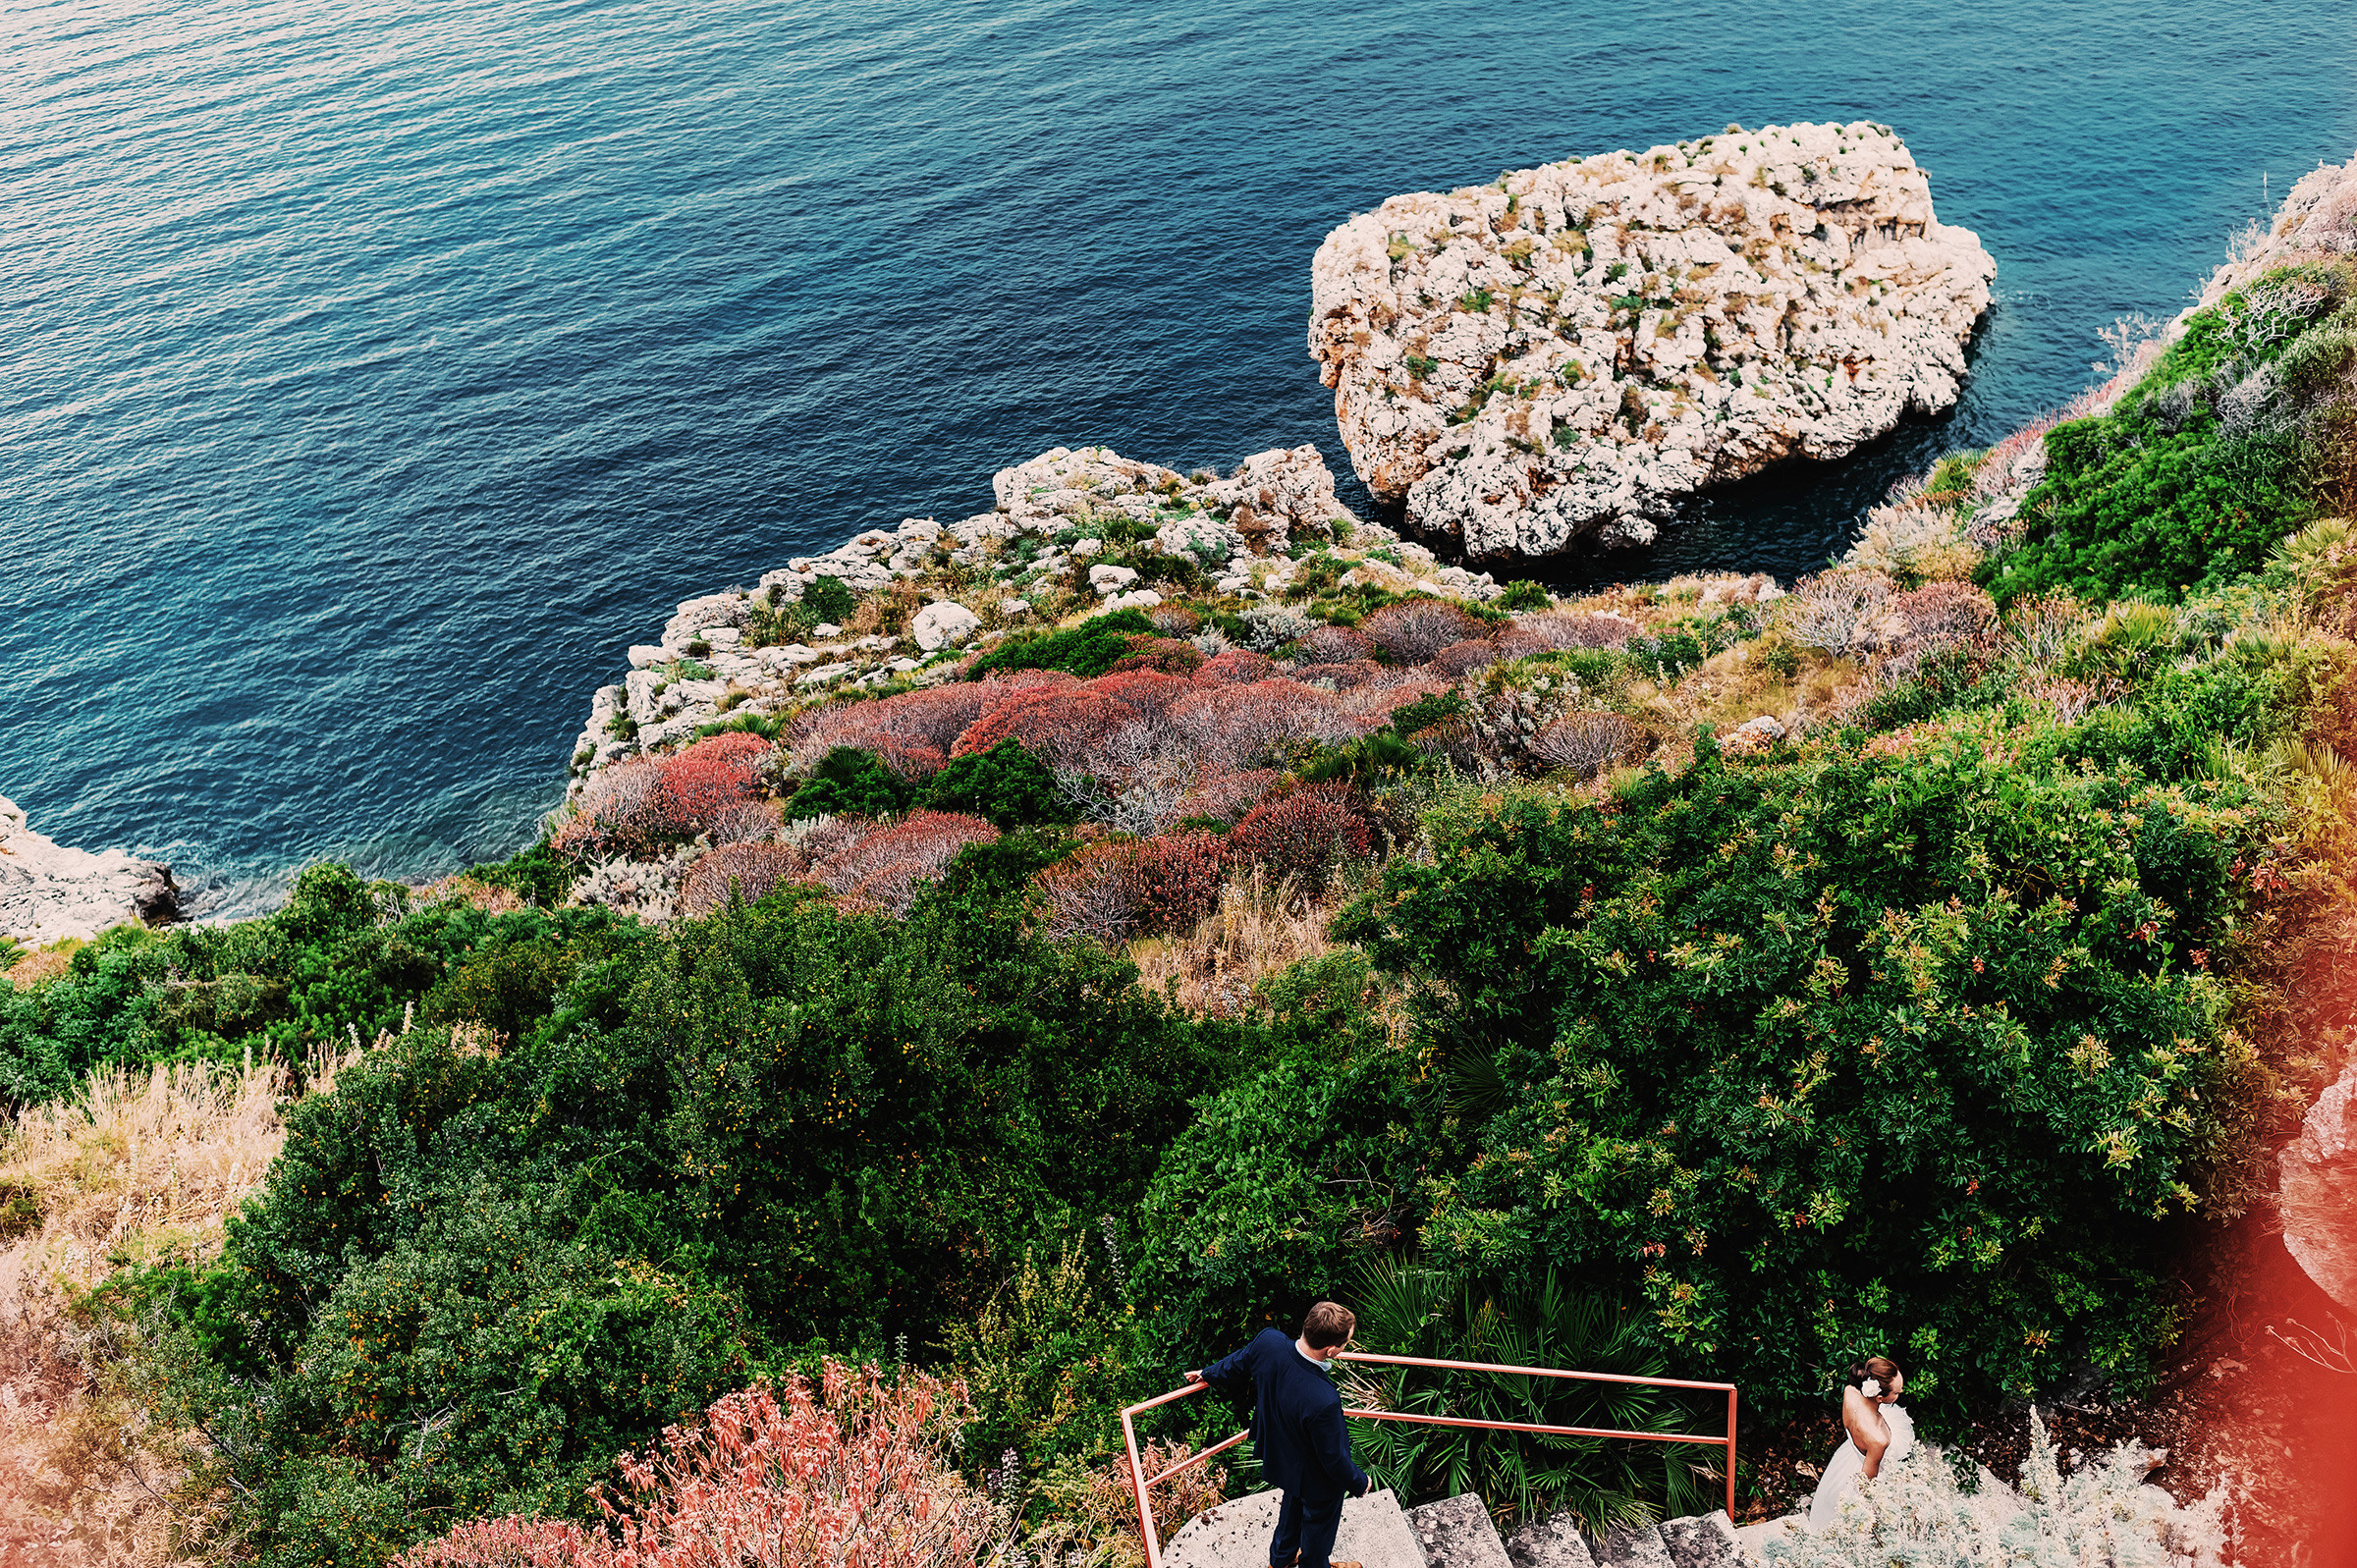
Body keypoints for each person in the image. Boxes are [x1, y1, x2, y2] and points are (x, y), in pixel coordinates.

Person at [1185, 1302, 1372, 1568]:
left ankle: (1280, 1561)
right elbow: (1333, 1458)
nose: (1345, 1348)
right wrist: (1359, 1482)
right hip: (1317, 1476)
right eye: (1346, 1343)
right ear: (1331, 1350)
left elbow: (1239, 1361)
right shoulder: (1324, 1398)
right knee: (1318, 1529)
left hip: (1281, 1454)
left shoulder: (1269, 1343)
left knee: (1291, 1508)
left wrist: (1207, 1373)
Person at [1806, 1356, 1914, 1531]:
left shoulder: (1850, 1391)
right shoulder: (1879, 1439)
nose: (1900, 1394)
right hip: (1866, 1466)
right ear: (1879, 1398)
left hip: (1849, 1456)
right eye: (1896, 1393)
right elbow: (1866, 1485)